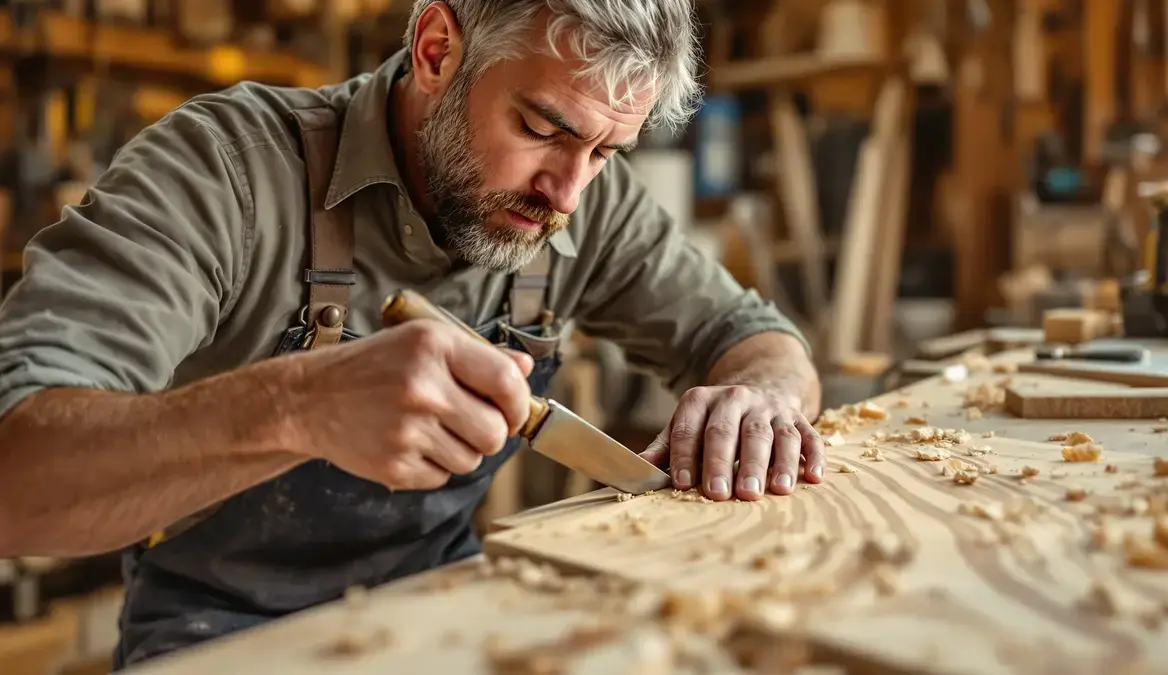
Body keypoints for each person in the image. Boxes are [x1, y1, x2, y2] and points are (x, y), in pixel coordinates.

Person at [0, 0, 825, 668]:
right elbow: (15, 474)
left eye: (607, 151)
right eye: (543, 128)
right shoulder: (225, 171)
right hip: (221, 633)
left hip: (446, 608)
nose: (568, 193)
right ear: (437, 49)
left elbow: (755, 336)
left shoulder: (583, 202)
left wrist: (763, 397)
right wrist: (296, 406)